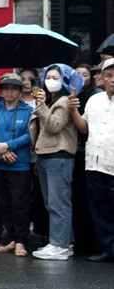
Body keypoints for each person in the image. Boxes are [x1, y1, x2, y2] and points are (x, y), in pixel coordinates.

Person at [0, 73, 36, 255]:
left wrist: (9, 145)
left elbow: (30, 134)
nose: (9, 92)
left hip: (19, 164)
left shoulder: (28, 110)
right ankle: (11, 238)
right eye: (6, 89)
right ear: (1, 92)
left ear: (20, 91)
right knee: (2, 203)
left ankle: (21, 241)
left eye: (13, 89)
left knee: (20, 203)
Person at [32, 64, 84, 261]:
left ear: (65, 80)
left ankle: (59, 245)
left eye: (55, 77)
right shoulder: (52, 100)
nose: (50, 81)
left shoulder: (63, 100)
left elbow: (54, 126)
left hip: (59, 156)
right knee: (52, 202)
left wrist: (41, 107)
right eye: (48, 77)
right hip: (47, 156)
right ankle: (64, 242)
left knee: (58, 203)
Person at [73, 59, 114, 262]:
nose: (112, 79)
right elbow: (84, 128)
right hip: (94, 164)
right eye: (108, 75)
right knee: (100, 210)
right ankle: (108, 249)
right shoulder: (94, 100)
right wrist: (73, 109)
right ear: (102, 79)